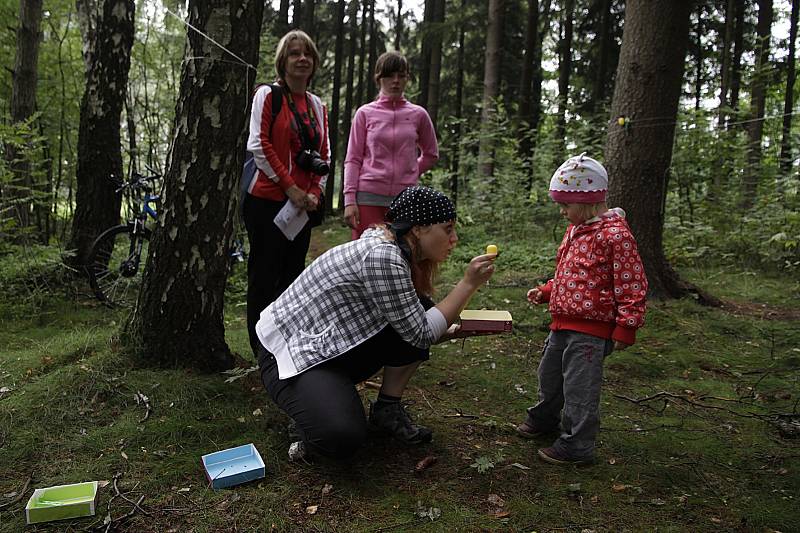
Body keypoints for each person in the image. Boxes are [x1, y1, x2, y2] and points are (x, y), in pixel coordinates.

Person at [256, 186, 497, 460]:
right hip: (290, 356)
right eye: (447, 229)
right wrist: (468, 284)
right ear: (418, 229)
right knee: (341, 436)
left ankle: (386, 410)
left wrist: (448, 328)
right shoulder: (383, 256)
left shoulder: (397, 249)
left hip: (330, 344)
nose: (454, 239)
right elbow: (421, 332)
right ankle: (307, 427)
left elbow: (416, 324)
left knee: (421, 311)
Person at [516, 154, 648, 466]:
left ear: (587, 201)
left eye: (565, 205)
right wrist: (548, 290)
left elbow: (632, 283)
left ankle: (577, 445)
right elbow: (569, 271)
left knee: (579, 388)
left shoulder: (616, 235)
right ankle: (545, 418)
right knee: (549, 376)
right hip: (562, 323)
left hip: (591, 329)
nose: (562, 212)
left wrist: (627, 325)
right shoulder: (576, 229)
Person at [243, 30, 329, 356]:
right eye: (294, 53)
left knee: (293, 276)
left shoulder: (317, 104)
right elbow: (258, 145)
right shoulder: (268, 95)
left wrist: (313, 193)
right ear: (283, 60)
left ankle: (285, 344)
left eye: (307, 54)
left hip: (302, 206)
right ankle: (259, 348)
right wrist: (290, 187)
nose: (302, 59)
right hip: (266, 200)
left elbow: (325, 151)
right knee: (264, 274)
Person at [343, 51, 439, 240]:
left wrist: (410, 173)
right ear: (379, 78)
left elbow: (431, 154)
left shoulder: (418, 114)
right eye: (389, 75)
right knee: (366, 256)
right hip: (368, 198)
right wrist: (349, 200)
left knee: (405, 255)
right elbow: (353, 159)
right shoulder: (365, 113)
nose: (395, 81)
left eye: (401, 75)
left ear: (407, 79)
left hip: (405, 200)